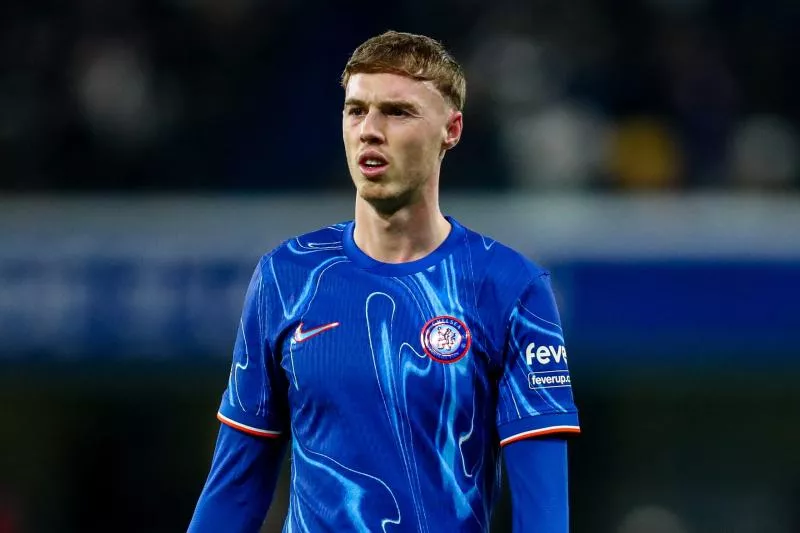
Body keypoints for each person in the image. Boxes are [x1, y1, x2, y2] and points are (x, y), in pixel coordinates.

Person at [189, 30, 580, 533]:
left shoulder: (510, 288)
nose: (370, 130)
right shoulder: (286, 278)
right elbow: (234, 489)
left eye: (397, 112)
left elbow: (543, 512)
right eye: (356, 110)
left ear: (452, 129)